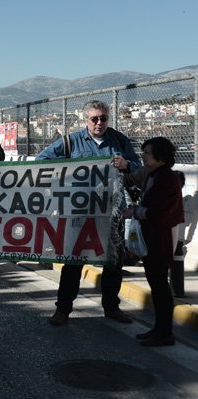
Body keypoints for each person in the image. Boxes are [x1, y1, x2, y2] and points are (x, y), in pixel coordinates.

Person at [37, 100, 141, 326]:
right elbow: (41, 162)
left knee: (113, 263)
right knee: (73, 262)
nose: (99, 123)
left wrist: (126, 164)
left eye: (103, 118)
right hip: (80, 212)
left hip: (112, 213)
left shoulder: (120, 141)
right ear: (86, 120)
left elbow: (138, 166)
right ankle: (63, 309)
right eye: (94, 118)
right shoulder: (69, 142)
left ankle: (112, 308)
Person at [122, 137, 183, 346]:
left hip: (160, 238)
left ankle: (165, 333)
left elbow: (160, 211)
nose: (144, 155)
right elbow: (131, 179)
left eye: (148, 152)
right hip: (152, 238)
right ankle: (158, 329)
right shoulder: (154, 174)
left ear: (161, 157)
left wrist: (134, 211)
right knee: (156, 286)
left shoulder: (167, 179)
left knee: (160, 287)